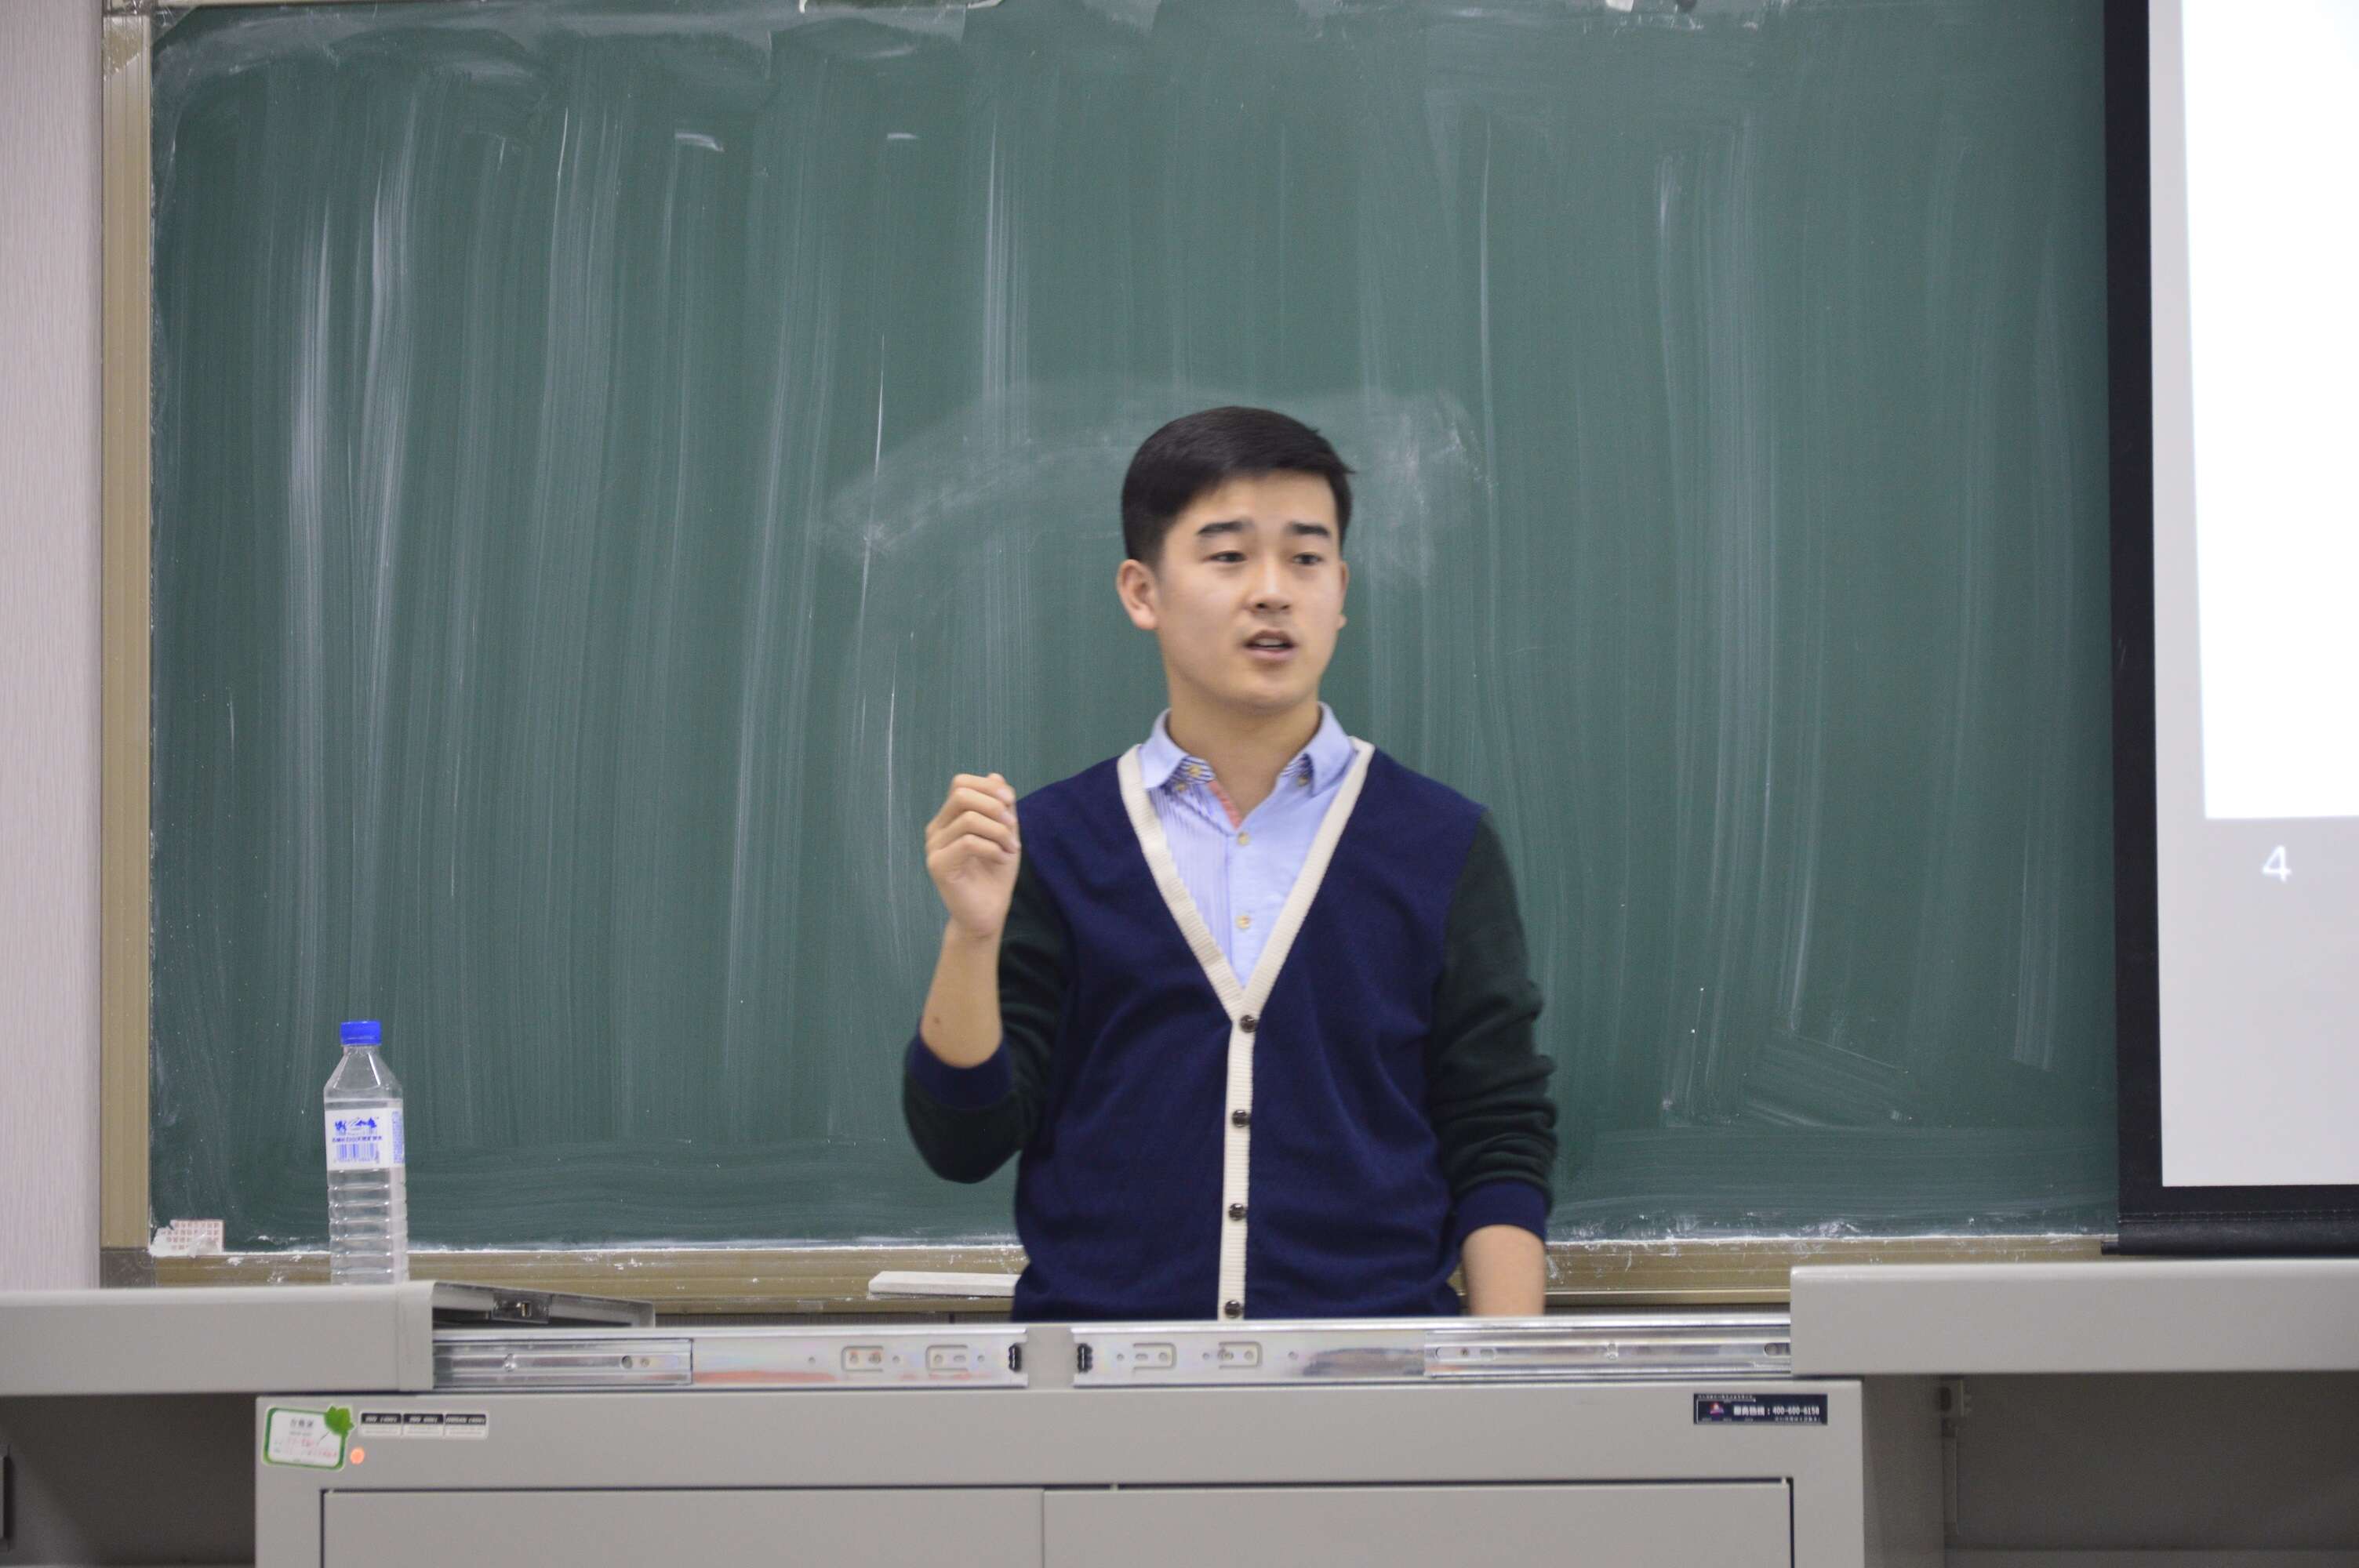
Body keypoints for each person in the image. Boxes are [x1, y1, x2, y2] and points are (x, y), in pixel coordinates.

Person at [903, 405, 1556, 1321]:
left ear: (1340, 590)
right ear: (1142, 591)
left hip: (1376, 1371)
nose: (1272, 591)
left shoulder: (1437, 840)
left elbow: (1496, 1132)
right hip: (1103, 1375)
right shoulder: (1050, 843)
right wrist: (971, 937)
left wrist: (1502, 1372)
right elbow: (963, 1143)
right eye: (1227, 555)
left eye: (1305, 557)